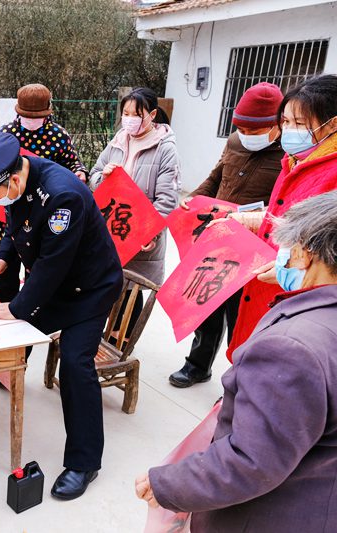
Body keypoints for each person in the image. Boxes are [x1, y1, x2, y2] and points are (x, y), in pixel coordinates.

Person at [136, 191, 337, 532]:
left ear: (305, 252)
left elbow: (251, 461)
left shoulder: (292, 349)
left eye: (287, 245)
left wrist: (167, 485)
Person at [0, 132, 123, 501]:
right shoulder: (15, 179)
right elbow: (14, 223)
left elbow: (52, 264)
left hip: (89, 290)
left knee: (75, 364)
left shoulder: (63, 195)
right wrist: (5, 258)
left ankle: (84, 462)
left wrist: (16, 307)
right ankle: (4, 370)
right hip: (54, 284)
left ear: (13, 180)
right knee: (0, 328)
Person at [168, 82, 284, 388]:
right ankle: (197, 365)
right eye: (241, 129)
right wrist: (193, 198)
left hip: (254, 246)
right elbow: (216, 177)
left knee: (240, 316)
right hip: (218, 237)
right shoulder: (235, 142)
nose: (246, 136)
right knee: (207, 302)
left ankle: (238, 379)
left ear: (277, 125)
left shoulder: (288, 155)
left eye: (254, 131)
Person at [227, 74, 337, 360]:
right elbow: (284, 215)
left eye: (299, 123)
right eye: (285, 122)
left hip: (301, 298)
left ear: (333, 124)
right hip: (267, 284)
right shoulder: (295, 161)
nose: (289, 130)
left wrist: (290, 271)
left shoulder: (331, 172)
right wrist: (247, 220)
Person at [0, 83, 90, 310]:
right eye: (26, 116)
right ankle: (6, 308)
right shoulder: (5, 135)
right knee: (6, 264)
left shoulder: (58, 135)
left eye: (37, 116)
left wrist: (80, 172)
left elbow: (72, 163)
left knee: (37, 265)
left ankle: (32, 310)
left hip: (43, 212)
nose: (31, 120)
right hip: (9, 207)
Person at [89, 87, 180, 331]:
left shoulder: (165, 148)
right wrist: (103, 177)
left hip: (140, 231)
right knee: (108, 283)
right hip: (112, 226)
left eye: (136, 114)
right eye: (126, 113)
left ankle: (122, 339)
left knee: (131, 288)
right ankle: (106, 334)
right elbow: (94, 175)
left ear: (152, 114)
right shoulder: (118, 141)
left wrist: (149, 232)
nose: (129, 119)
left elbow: (167, 199)